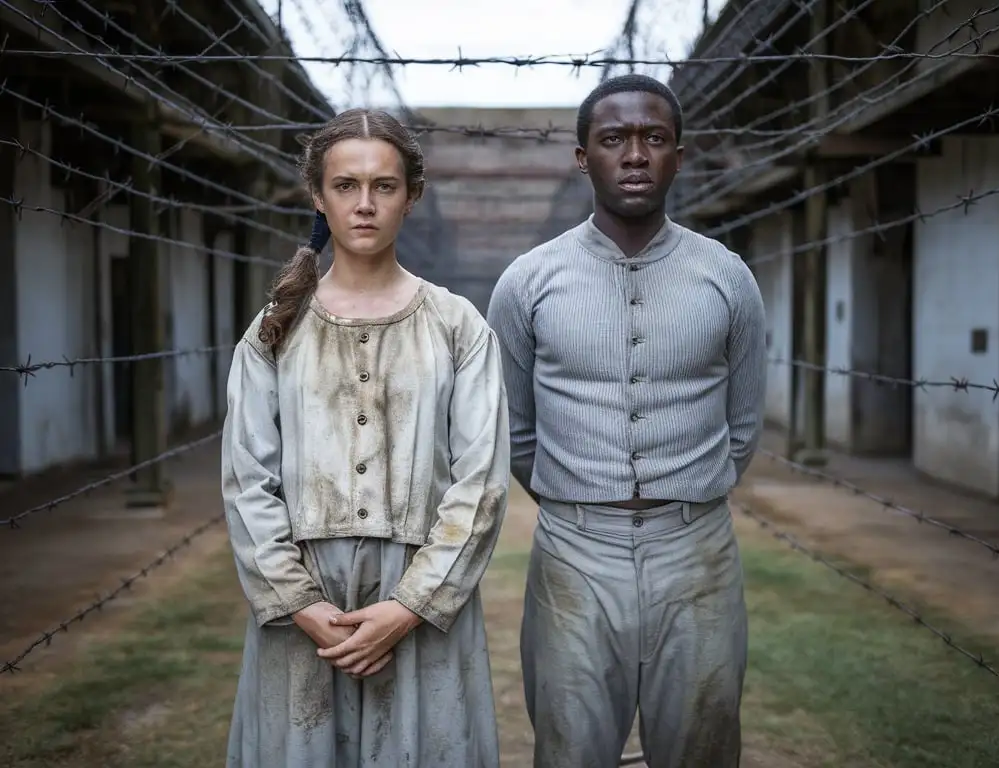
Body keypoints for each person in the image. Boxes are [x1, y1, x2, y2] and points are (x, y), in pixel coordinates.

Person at [487, 73, 767, 767]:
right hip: (573, 553)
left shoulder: (727, 277)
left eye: (654, 139)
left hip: (697, 549)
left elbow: (744, 423)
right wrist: (581, 501)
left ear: (679, 154)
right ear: (583, 157)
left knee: (701, 744)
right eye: (614, 139)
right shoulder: (527, 282)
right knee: (572, 746)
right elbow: (515, 431)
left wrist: (688, 494)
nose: (635, 154)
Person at [221, 108, 509, 767]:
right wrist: (298, 603)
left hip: (423, 592)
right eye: (345, 186)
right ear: (318, 196)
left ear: (412, 195)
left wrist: (410, 605)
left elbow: (482, 482)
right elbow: (245, 479)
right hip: (304, 601)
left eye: (384, 186)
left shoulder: (458, 327)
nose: (364, 204)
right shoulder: (275, 329)